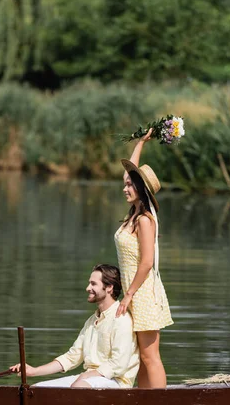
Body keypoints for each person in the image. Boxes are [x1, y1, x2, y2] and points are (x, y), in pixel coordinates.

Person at [10, 264, 139, 388]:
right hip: (87, 379)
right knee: (37, 389)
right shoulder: (91, 321)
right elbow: (72, 357)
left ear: (109, 287)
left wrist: (86, 376)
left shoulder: (122, 319)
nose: (88, 288)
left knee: (79, 386)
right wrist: (33, 371)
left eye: (93, 284)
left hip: (116, 382)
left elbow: (118, 364)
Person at [115, 128, 173, 389]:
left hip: (143, 295)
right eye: (125, 182)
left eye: (130, 184)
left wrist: (128, 295)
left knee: (150, 357)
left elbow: (147, 262)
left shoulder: (144, 221)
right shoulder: (132, 215)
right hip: (132, 292)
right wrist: (140, 143)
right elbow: (131, 170)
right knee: (137, 357)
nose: (124, 186)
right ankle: (143, 404)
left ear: (140, 189)